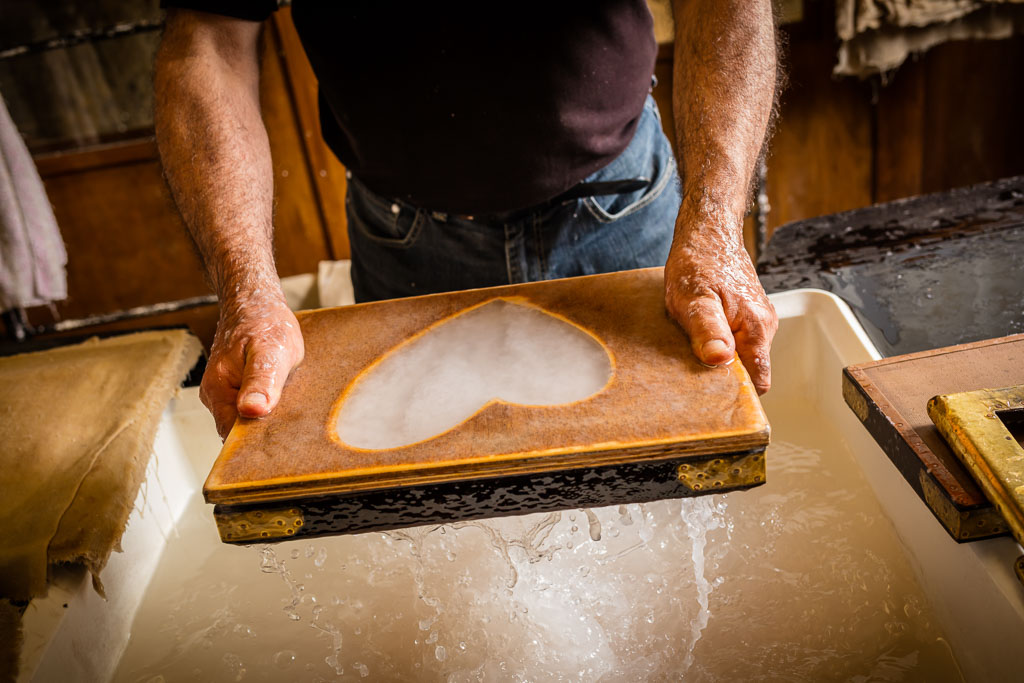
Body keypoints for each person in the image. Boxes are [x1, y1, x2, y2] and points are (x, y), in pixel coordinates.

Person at [154, 1, 780, 439]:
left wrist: (716, 227)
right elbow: (208, 36)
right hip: (404, 240)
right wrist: (248, 291)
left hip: (622, 207)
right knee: (442, 540)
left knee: (662, 499)